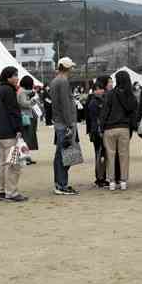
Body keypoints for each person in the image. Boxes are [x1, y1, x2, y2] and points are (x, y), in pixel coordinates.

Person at [0, 67, 27, 202]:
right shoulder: (9, 90)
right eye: (15, 76)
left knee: (4, 164)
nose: (17, 78)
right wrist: (18, 129)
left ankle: (2, 191)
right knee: (13, 164)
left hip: (0, 133)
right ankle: (11, 192)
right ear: (8, 77)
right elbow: (14, 112)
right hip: (9, 132)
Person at [101, 70, 138, 191]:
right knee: (124, 155)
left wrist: (102, 127)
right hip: (124, 128)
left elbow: (105, 112)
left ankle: (111, 181)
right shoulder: (130, 95)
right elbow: (133, 112)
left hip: (109, 128)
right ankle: (123, 181)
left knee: (110, 156)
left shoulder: (110, 94)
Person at [49, 57, 80, 196]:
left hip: (59, 122)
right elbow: (65, 105)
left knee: (60, 154)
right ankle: (62, 184)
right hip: (65, 123)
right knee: (65, 154)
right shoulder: (63, 81)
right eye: (71, 67)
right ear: (67, 68)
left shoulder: (55, 80)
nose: (73, 69)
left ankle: (59, 183)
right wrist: (69, 124)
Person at [86, 76, 109, 188]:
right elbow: (94, 120)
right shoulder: (94, 102)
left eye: (102, 88)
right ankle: (100, 178)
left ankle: (102, 177)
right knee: (99, 155)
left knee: (102, 155)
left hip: (100, 131)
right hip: (97, 132)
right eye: (98, 89)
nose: (101, 91)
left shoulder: (102, 100)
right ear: (94, 90)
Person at [17, 75, 39, 165]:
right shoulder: (21, 92)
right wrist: (33, 101)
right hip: (25, 116)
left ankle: (27, 157)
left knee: (27, 137)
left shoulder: (22, 91)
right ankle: (25, 158)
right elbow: (24, 103)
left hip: (26, 116)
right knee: (26, 137)